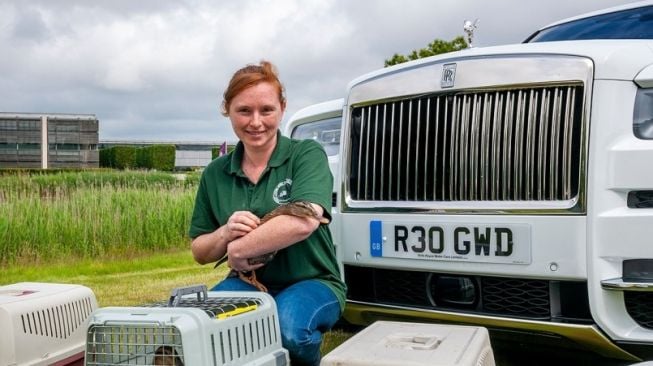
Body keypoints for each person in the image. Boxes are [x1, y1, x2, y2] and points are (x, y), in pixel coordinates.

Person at [189, 60, 346, 366]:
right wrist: (224, 233)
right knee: (203, 324)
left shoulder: (305, 154)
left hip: (313, 280)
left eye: (266, 110)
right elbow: (200, 251)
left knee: (289, 331)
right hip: (247, 281)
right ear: (227, 110)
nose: (256, 122)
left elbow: (303, 221)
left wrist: (239, 249)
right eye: (244, 111)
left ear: (282, 108)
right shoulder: (215, 173)